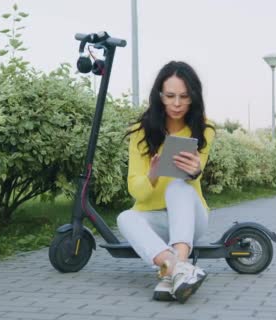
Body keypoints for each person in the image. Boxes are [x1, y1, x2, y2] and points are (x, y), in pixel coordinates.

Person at [118, 61, 215, 303]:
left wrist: (195, 172)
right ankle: (176, 270)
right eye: (170, 96)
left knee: (178, 185)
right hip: (154, 219)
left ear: (193, 97)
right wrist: (152, 174)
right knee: (125, 217)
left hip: (191, 220)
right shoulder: (140, 132)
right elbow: (136, 192)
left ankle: (176, 266)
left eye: (184, 96)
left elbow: (196, 175)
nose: (177, 103)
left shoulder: (204, 129)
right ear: (159, 96)